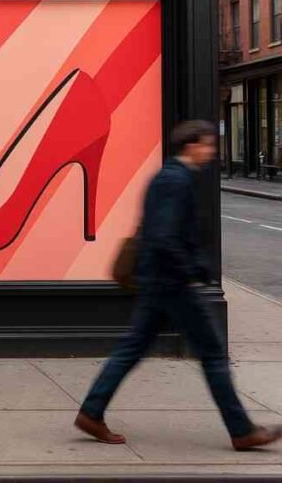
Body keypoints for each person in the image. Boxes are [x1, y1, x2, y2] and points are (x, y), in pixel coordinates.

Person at [75, 120, 281, 451]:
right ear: (191, 146)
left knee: (133, 347)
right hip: (174, 282)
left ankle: (91, 411)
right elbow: (165, 236)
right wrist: (192, 270)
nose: (211, 152)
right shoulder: (175, 180)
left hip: (159, 280)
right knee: (213, 354)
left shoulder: (170, 177)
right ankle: (242, 430)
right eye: (208, 145)